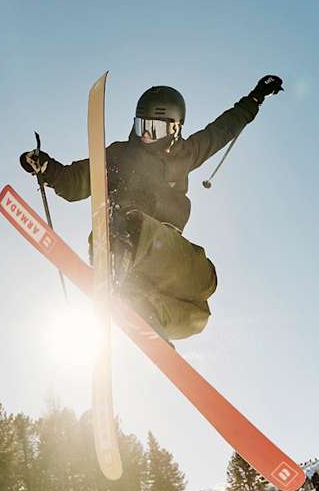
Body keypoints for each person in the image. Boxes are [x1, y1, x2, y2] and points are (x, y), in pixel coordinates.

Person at [20, 75, 284, 340]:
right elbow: (76, 181)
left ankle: (146, 312)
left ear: (174, 129)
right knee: (135, 228)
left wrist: (256, 97)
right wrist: (48, 169)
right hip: (122, 236)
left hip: (165, 252)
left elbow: (222, 129)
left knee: (202, 300)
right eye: (140, 125)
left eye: (154, 129)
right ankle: (118, 263)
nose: (145, 135)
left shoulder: (187, 154)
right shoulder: (119, 155)